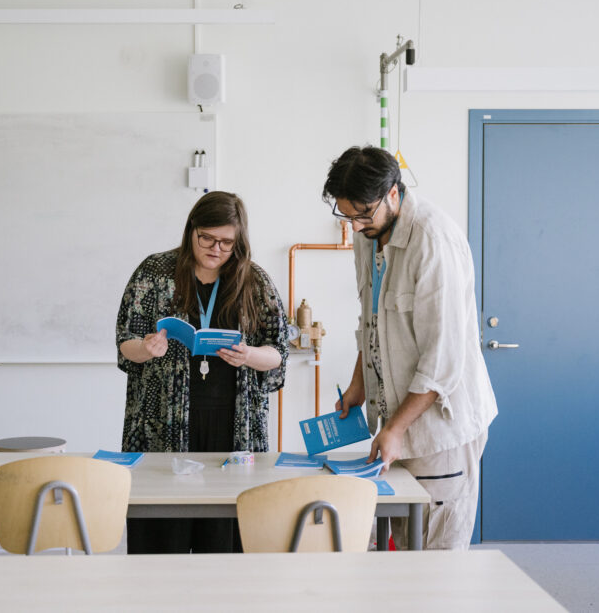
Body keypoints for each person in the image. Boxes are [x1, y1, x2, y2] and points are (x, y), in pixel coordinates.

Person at [323, 145, 497, 550]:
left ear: (394, 194)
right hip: (396, 423)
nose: (356, 224)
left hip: (440, 428)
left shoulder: (434, 241)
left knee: (434, 553)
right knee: (401, 543)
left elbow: (443, 359)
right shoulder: (367, 235)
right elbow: (372, 322)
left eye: (363, 213)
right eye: (347, 215)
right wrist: (357, 386)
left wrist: (396, 428)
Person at [115, 190, 288, 554]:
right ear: (191, 230)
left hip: (233, 426)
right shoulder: (154, 272)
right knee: (163, 539)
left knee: (225, 539)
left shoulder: (254, 281)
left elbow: (277, 353)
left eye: (227, 242)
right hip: (162, 423)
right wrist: (146, 348)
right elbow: (124, 343)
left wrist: (249, 355)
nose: (215, 249)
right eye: (206, 238)